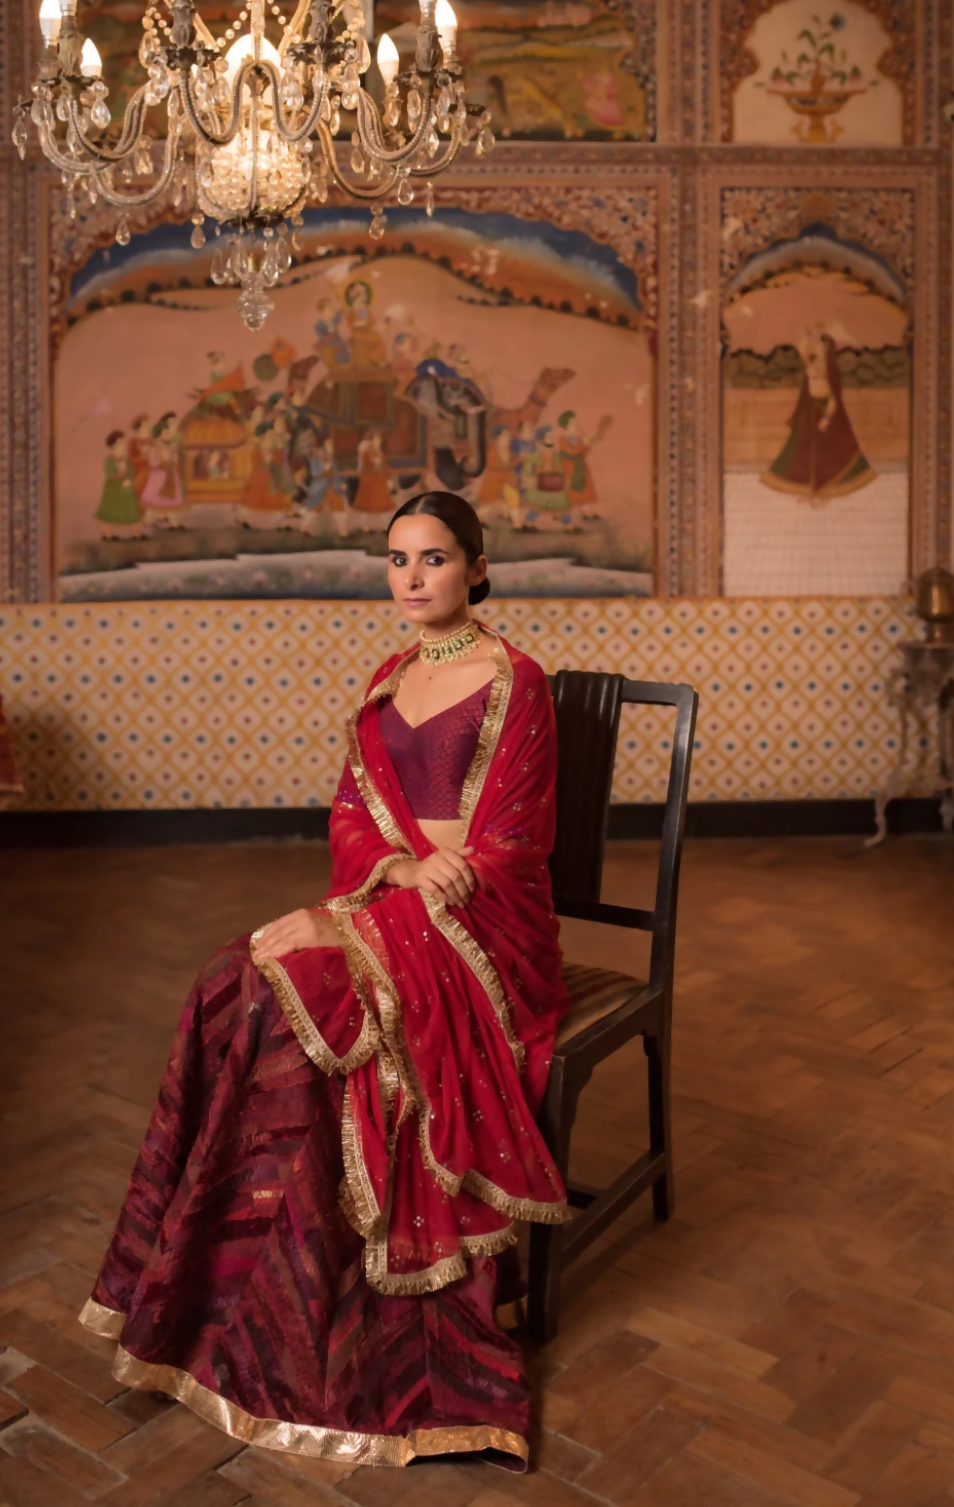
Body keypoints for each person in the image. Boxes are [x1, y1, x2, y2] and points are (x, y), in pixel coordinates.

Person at [78, 491, 570, 1469]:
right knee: (235, 982)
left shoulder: (517, 680)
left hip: (476, 929)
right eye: (396, 560)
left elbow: (518, 843)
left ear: (475, 566)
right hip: (393, 901)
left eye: (432, 559)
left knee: (295, 994)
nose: (412, 578)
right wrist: (391, 871)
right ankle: (227, 1270)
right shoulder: (387, 680)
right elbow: (349, 815)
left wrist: (440, 876)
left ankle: (309, 1274)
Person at [762, 328, 874, 500]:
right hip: (810, 410)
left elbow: (834, 398)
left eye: (822, 346)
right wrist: (805, 338)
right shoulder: (813, 362)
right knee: (803, 451)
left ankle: (823, 491)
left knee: (827, 453)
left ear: (828, 348)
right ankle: (810, 489)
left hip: (826, 414)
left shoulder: (832, 368)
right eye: (819, 345)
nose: (818, 348)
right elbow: (803, 355)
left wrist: (827, 418)